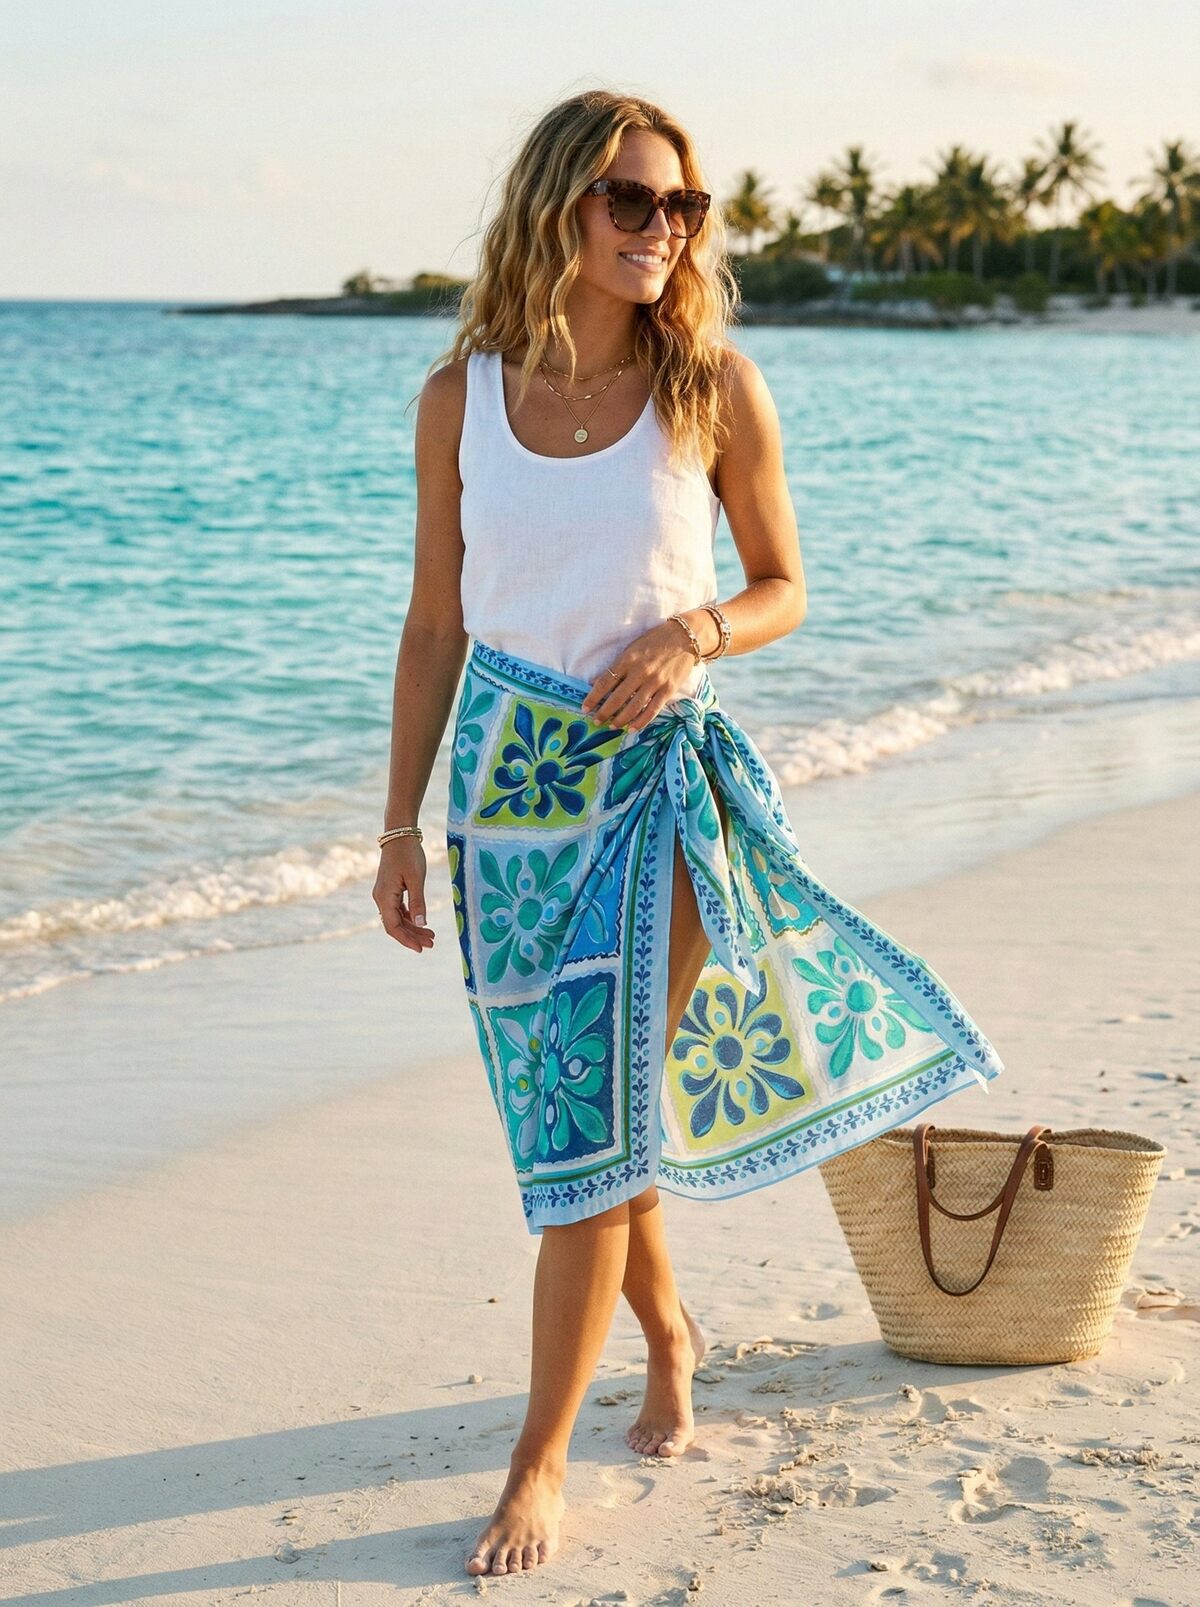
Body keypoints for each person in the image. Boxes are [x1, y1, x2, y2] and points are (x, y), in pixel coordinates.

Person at [372, 89, 1004, 1579]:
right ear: (557, 210)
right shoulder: (460, 397)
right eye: (630, 201)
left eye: (683, 206)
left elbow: (785, 580)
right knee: (579, 1119)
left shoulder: (709, 382)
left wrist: (698, 631)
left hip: (659, 786)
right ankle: (667, 1327)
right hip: (505, 806)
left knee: (590, 1130)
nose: (662, 229)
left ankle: (537, 1463)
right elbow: (432, 621)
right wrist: (397, 825)